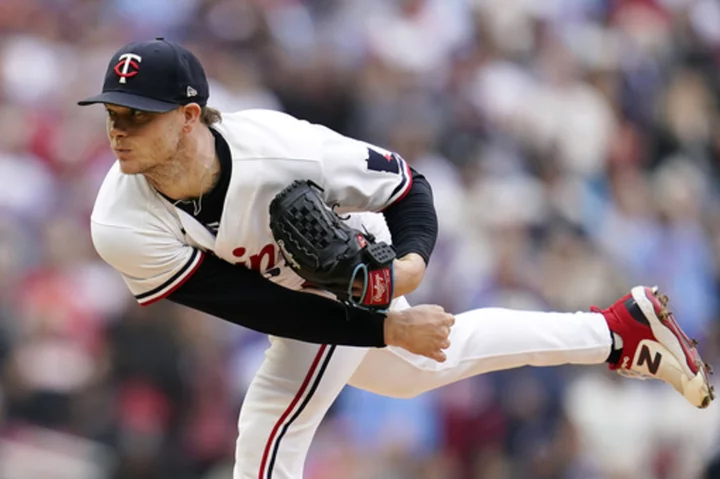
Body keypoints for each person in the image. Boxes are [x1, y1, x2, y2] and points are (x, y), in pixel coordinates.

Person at [79, 38, 714, 479]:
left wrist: (406, 271)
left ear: (190, 117)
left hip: (342, 264)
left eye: (138, 116)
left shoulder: (284, 150)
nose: (118, 130)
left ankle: (612, 332)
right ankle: (615, 331)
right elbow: (257, 305)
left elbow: (409, 187)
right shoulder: (120, 221)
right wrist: (388, 328)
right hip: (286, 293)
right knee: (412, 369)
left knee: (266, 436)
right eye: (113, 112)